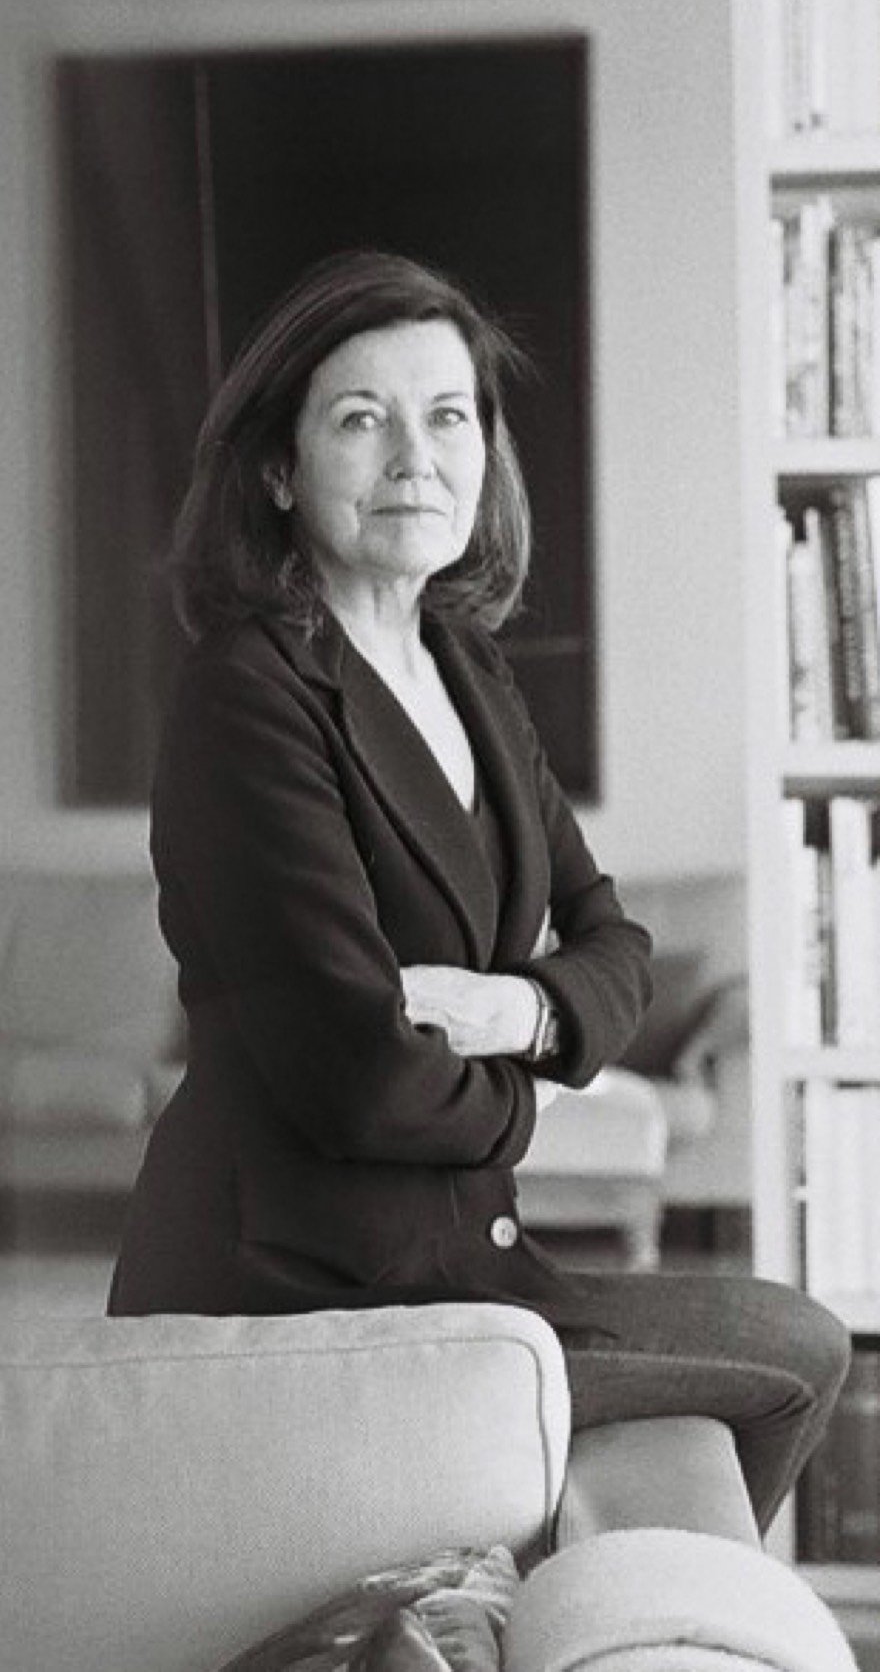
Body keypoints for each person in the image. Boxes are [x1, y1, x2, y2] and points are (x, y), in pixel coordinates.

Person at [107, 248, 849, 1532]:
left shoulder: (465, 666)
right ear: (277, 469)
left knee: (798, 1337)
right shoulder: (246, 695)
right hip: (300, 1291)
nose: (415, 457)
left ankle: (558, 1584)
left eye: (446, 416)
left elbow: (614, 940)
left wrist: (520, 1013)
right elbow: (359, 1079)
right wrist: (538, 1093)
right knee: (782, 1362)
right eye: (361, 420)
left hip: (460, 1261)